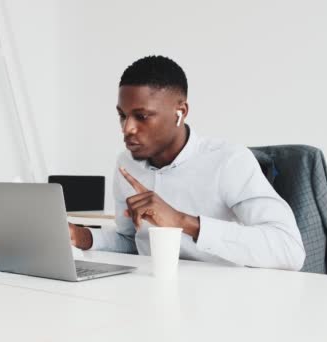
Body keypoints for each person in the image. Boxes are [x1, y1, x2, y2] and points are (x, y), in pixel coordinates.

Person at [68, 55, 305, 270]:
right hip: (146, 292)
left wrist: (182, 221)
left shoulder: (229, 160)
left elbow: (290, 251)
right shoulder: (126, 163)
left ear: (180, 112)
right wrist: (82, 237)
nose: (127, 128)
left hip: (220, 300)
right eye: (123, 115)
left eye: (141, 116)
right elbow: (132, 241)